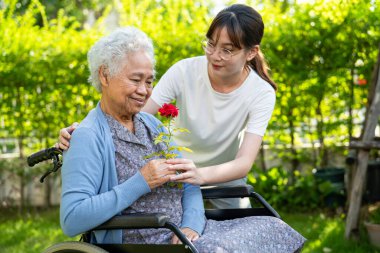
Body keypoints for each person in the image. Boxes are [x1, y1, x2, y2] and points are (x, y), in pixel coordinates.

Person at [60, 26, 305, 252]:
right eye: (135, 80)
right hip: (150, 241)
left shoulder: (151, 125)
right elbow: (72, 219)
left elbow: (188, 182)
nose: (144, 90)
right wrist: (141, 181)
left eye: (148, 81)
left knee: (271, 226)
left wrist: (192, 226)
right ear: (104, 76)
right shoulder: (88, 137)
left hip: (187, 234)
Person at [59, 4, 276, 209]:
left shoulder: (261, 92)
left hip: (223, 179)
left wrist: (200, 175)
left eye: (227, 50)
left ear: (251, 52)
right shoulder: (184, 71)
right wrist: (85, 132)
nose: (214, 56)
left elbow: (243, 162)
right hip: (176, 175)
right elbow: (132, 115)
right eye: (211, 44)